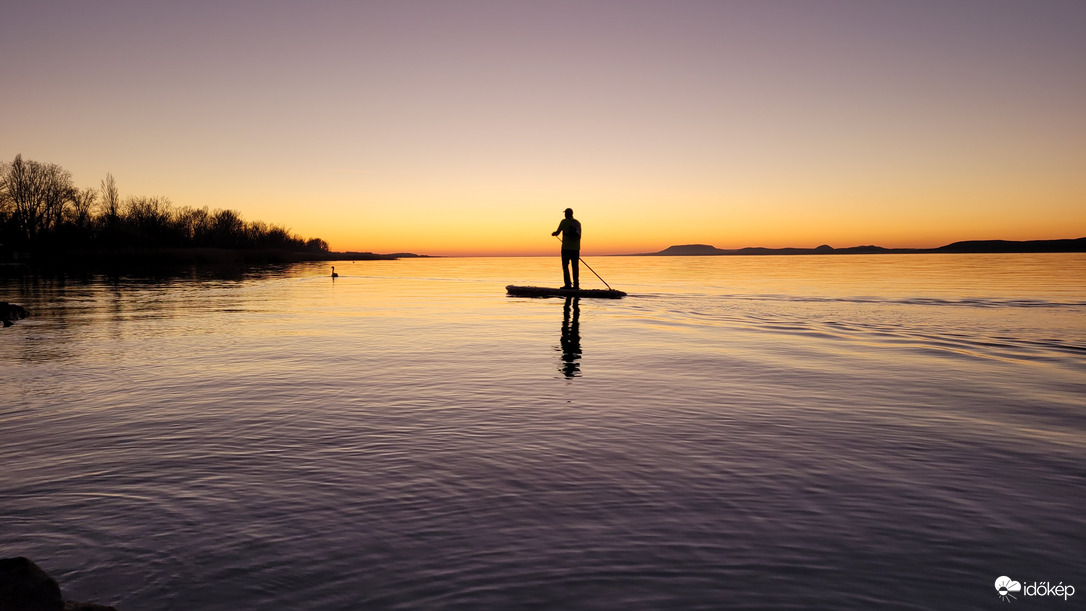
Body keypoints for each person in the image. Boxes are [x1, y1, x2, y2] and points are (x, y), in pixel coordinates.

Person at [552, 208, 581, 289]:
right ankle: (576, 285)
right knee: (575, 267)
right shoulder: (577, 223)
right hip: (576, 248)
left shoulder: (564, 222)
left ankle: (568, 285)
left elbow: (557, 232)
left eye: (565, 213)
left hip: (566, 248)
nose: (564, 215)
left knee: (565, 266)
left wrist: (554, 234)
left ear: (567, 214)